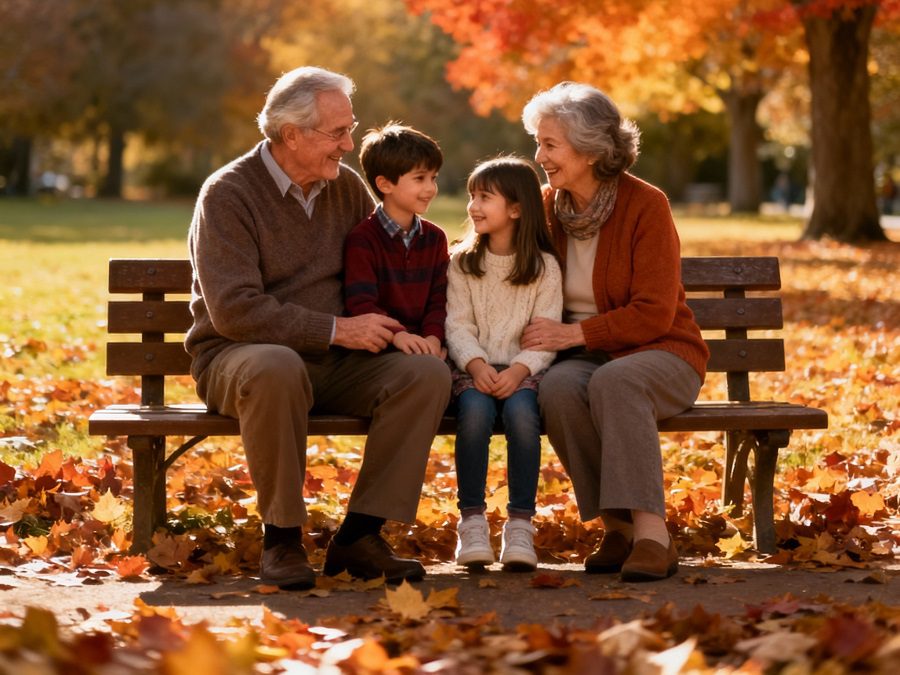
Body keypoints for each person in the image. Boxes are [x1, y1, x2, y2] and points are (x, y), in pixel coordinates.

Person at [185, 66, 451, 589]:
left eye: (349, 130)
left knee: (425, 376)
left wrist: (400, 330)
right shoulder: (229, 194)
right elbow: (235, 310)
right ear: (292, 135)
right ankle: (281, 540)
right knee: (276, 365)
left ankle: (360, 535)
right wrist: (335, 329)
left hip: (336, 361)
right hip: (240, 357)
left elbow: (382, 271)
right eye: (337, 133)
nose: (349, 145)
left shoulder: (345, 189)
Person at [520, 82, 709, 582]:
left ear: (590, 148)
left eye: (550, 145)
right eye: (538, 143)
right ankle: (618, 528)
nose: (539, 155)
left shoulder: (646, 205)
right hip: (585, 356)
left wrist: (572, 337)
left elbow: (653, 312)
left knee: (616, 381)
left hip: (661, 350)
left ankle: (653, 536)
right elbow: (489, 253)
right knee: (558, 389)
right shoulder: (545, 206)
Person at [446, 156, 563, 572]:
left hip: (523, 373)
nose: (473, 206)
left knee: (522, 418)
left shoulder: (544, 268)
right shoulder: (462, 262)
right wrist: (476, 366)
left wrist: (519, 370)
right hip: (471, 370)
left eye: (485, 198)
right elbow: (456, 325)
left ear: (516, 209)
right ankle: (473, 522)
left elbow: (547, 334)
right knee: (475, 414)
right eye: (472, 197)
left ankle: (519, 527)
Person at [344, 123, 449, 357]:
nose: (431, 188)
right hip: (382, 349)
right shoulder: (363, 240)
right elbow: (361, 303)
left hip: (427, 346)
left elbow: (439, 300)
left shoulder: (435, 239)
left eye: (433, 178)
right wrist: (398, 335)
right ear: (384, 184)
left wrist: (433, 337)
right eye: (420, 178)